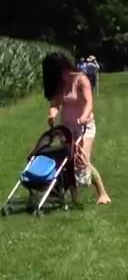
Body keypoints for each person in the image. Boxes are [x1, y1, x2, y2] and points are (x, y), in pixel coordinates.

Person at [43, 52, 111, 205]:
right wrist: (52, 114)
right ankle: (74, 199)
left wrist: (83, 117)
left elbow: (88, 103)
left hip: (84, 126)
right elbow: (55, 104)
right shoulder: (60, 84)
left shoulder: (81, 79)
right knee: (69, 161)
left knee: (81, 160)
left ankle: (102, 193)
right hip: (66, 129)